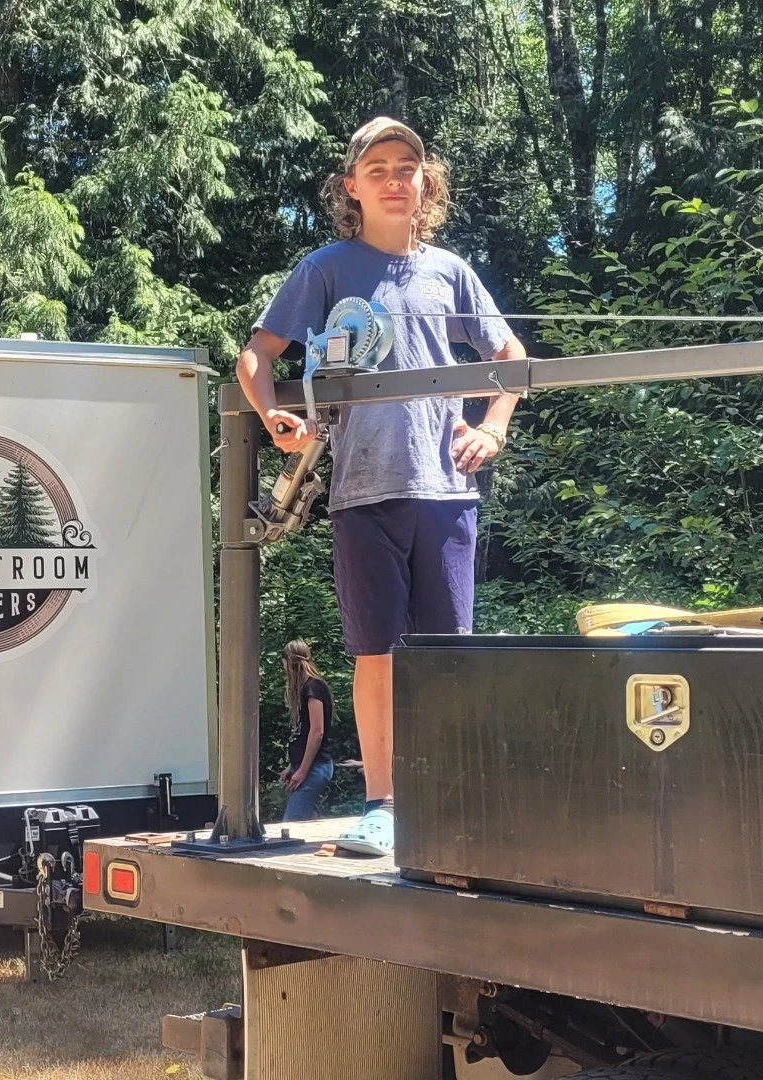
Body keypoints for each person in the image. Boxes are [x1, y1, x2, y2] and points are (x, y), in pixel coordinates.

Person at [237, 117, 526, 856]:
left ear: (427, 183)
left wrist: (491, 428)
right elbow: (256, 355)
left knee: (446, 659)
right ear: (352, 188)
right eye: (379, 169)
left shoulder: (451, 271)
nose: (396, 178)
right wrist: (274, 415)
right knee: (377, 655)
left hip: (447, 494)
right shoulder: (326, 267)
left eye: (409, 166)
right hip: (363, 494)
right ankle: (384, 805)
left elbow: (511, 357)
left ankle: (452, 799)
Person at [279, 639, 335, 822]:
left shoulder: (313, 688)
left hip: (315, 766)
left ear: (289, 662)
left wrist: (302, 770)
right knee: (309, 819)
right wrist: (292, 766)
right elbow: (303, 731)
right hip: (307, 765)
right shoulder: (306, 689)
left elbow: (317, 731)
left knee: (292, 821)